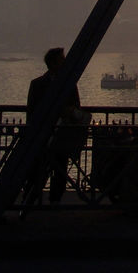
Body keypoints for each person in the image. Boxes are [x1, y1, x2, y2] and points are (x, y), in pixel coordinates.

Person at [22, 47, 87, 206]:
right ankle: (32, 198)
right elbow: (32, 112)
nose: (65, 62)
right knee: (38, 168)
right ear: (53, 63)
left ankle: (54, 199)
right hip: (43, 134)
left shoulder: (67, 85)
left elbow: (76, 106)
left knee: (59, 168)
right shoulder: (38, 84)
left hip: (61, 134)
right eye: (62, 59)